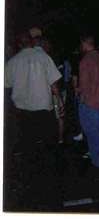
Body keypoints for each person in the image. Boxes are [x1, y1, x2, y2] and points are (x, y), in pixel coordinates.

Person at [5, 31, 62, 207]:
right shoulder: (43, 57)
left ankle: (30, 181)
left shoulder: (12, 62)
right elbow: (54, 83)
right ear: (30, 42)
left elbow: (6, 85)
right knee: (47, 146)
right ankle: (48, 182)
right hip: (43, 111)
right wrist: (59, 101)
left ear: (19, 45)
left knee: (28, 147)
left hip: (23, 112)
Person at [78, 35, 99, 172]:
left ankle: (97, 161)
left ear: (84, 44)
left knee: (90, 131)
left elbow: (84, 84)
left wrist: (82, 99)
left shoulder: (85, 60)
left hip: (89, 101)